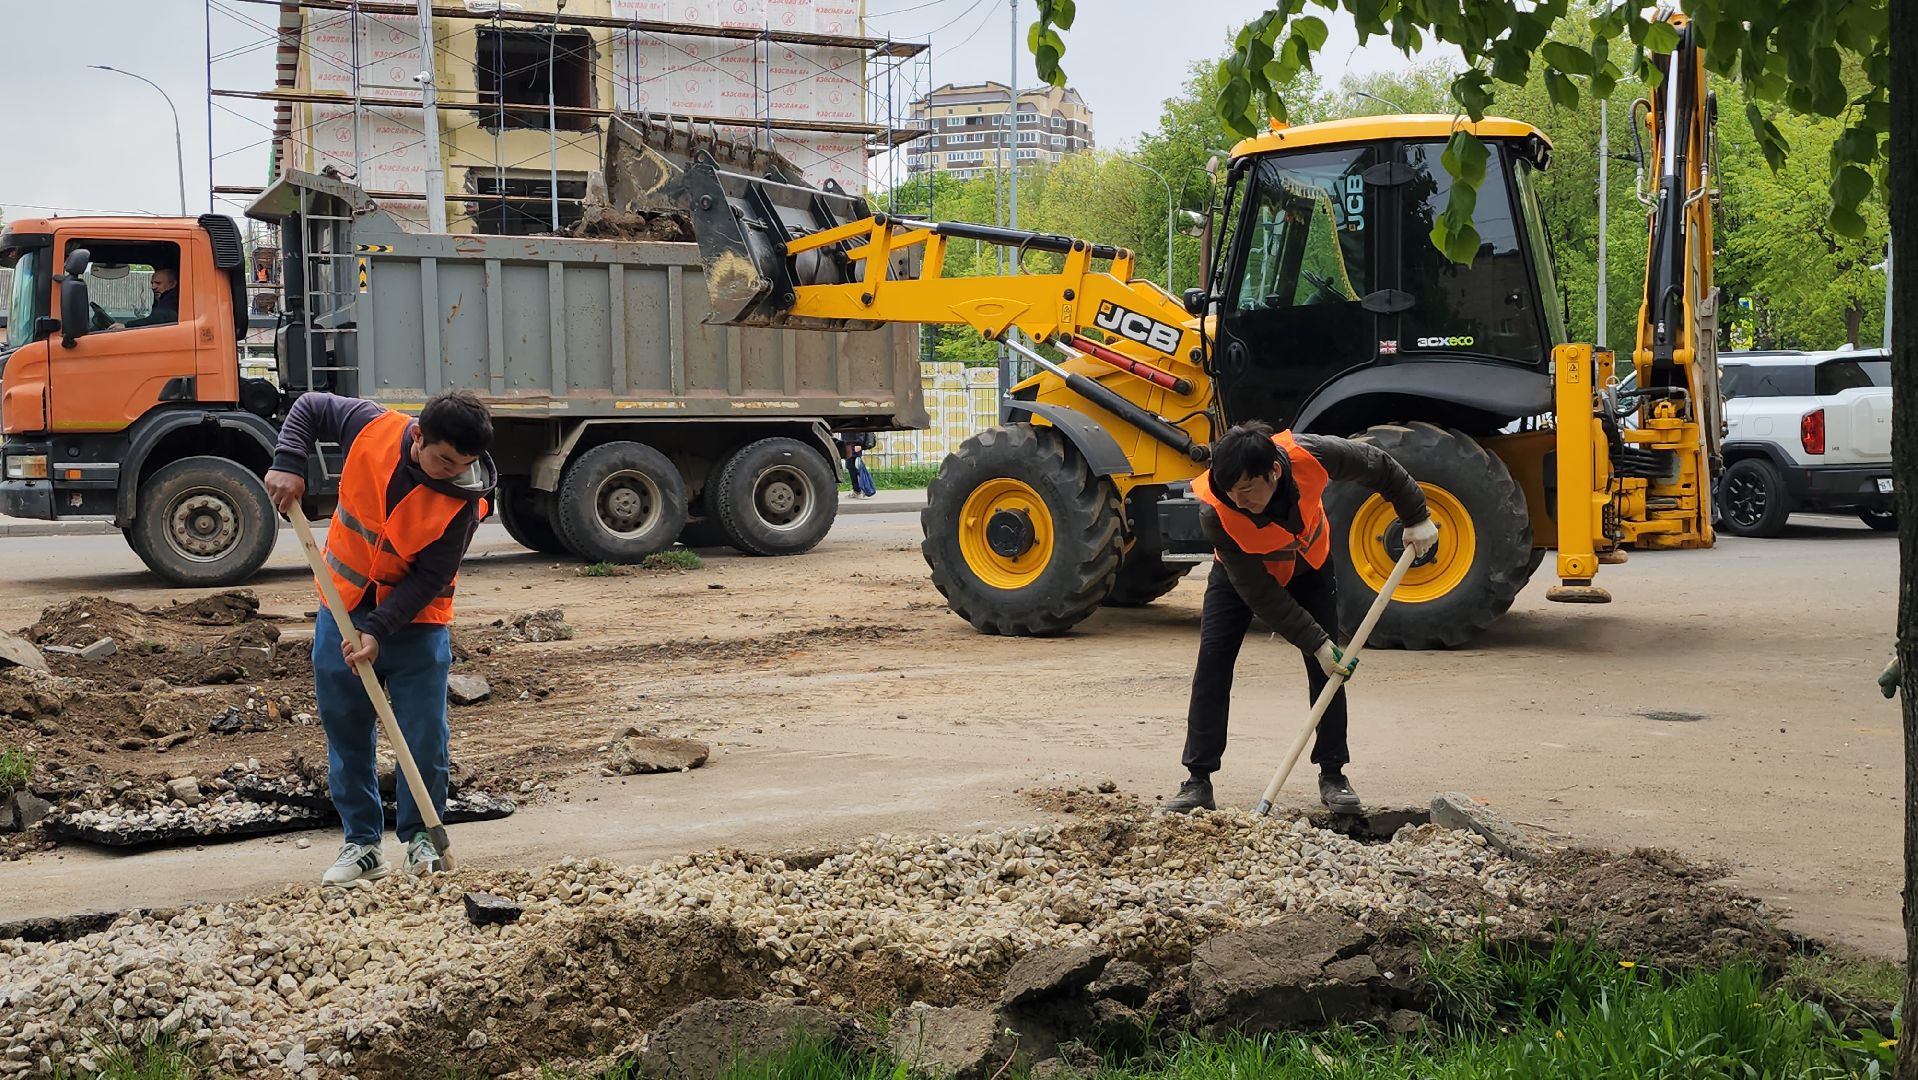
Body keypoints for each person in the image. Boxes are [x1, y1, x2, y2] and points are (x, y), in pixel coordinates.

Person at [264, 389, 496, 884]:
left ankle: (421, 839)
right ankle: (363, 845)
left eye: (464, 464)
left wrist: (377, 630)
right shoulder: (372, 427)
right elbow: (309, 407)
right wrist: (288, 461)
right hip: (342, 603)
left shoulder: (463, 501)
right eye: (444, 460)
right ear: (419, 436)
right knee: (346, 729)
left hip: (416, 622)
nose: (454, 472)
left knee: (423, 735)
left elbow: (429, 578)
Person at [1161, 421, 1437, 816]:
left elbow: (1377, 464)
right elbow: (1262, 595)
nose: (1239, 501)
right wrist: (1316, 641)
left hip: (1310, 564)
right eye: (1230, 492)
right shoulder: (1215, 511)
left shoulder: (1311, 454)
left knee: (1329, 670)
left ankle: (1333, 773)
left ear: (1274, 471)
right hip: (1242, 578)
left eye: (1246, 490)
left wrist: (1416, 516)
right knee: (1213, 664)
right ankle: (1197, 780)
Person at [108, 267, 180, 330]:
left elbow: (157, 319)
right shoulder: (162, 299)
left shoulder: (173, 301)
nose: (153, 287)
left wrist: (126, 326)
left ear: (172, 284)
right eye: (152, 283)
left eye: (158, 283)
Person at [838, 430, 877, 498]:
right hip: (848, 441)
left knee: (854, 466)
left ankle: (862, 489)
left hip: (854, 442)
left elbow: (858, 427)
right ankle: (859, 489)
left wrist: (859, 443)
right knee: (852, 466)